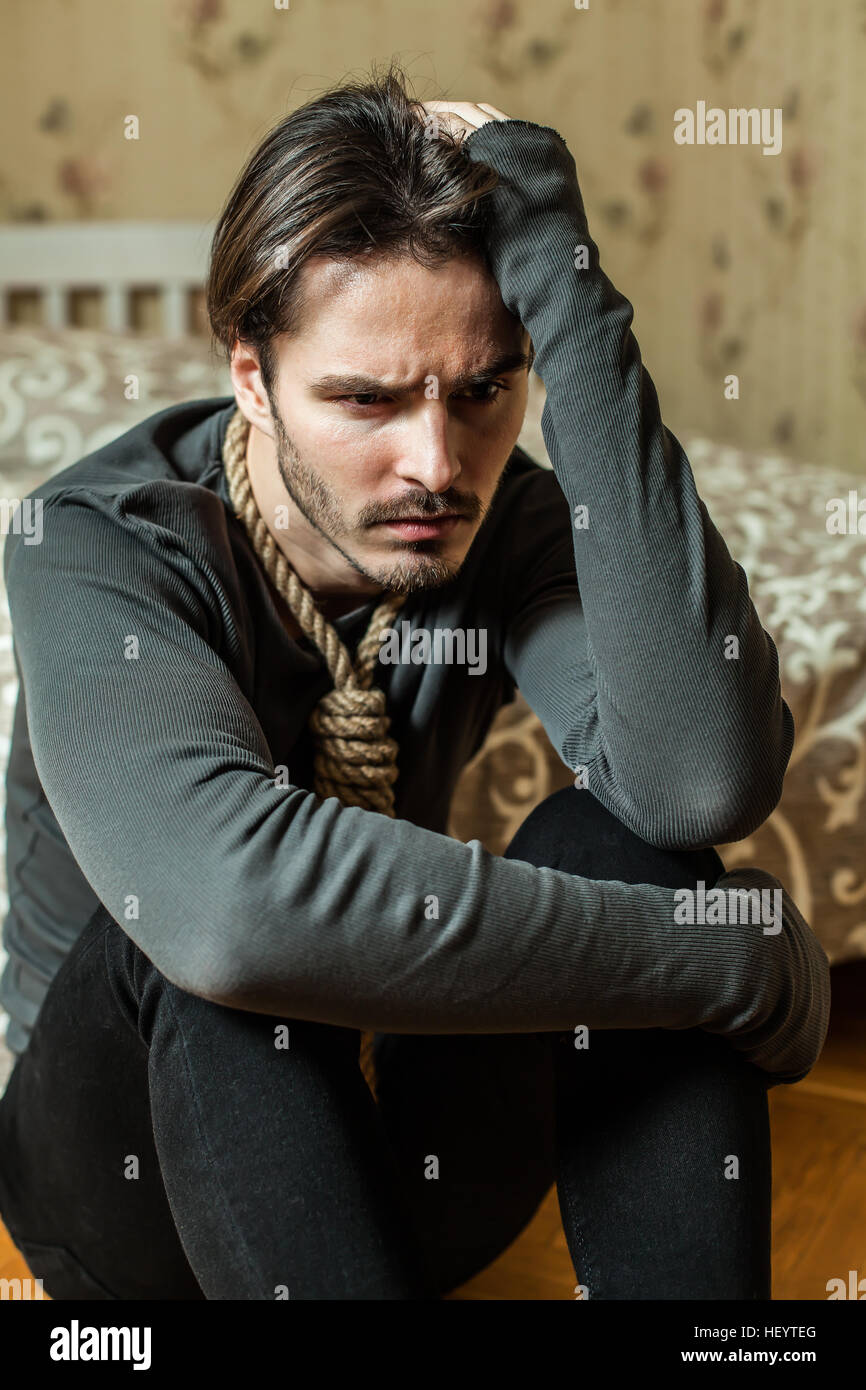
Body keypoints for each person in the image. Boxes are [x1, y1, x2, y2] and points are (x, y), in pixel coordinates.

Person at [0, 63, 829, 1300]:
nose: (434, 464)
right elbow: (233, 910)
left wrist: (565, 283)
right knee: (205, 950)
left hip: (405, 1178)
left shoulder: (500, 520)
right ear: (249, 374)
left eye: (484, 390)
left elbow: (698, 777)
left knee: (638, 848)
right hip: (130, 1201)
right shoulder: (93, 538)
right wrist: (716, 959)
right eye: (364, 399)